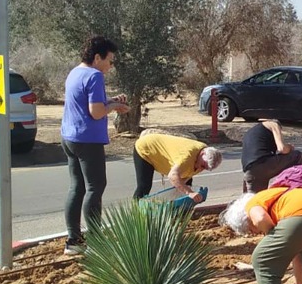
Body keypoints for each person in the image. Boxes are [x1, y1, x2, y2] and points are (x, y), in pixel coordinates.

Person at [60, 35, 129, 256]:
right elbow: (96, 112)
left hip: (69, 137)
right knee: (95, 187)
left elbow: (90, 103)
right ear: (97, 58)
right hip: (87, 140)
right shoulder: (95, 76)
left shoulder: (75, 73)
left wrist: (111, 101)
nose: (111, 65)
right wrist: (114, 106)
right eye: (109, 60)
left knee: (77, 187)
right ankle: (96, 241)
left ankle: (74, 240)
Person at [132, 133, 222, 201]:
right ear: (202, 153)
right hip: (146, 149)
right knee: (144, 186)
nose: (201, 169)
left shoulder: (203, 156)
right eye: (202, 165)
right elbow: (172, 176)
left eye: (205, 168)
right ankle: (136, 215)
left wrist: (185, 189)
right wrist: (189, 192)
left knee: (186, 185)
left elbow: (185, 178)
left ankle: (181, 211)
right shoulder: (187, 156)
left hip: (165, 154)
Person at [242, 120, 302, 193]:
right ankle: (294, 188)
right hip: (263, 164)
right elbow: (282, 149)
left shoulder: (253, 132)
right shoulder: (273, 124)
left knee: (254, 199)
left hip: (249, 171)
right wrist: (289, 147)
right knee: (296, 155)